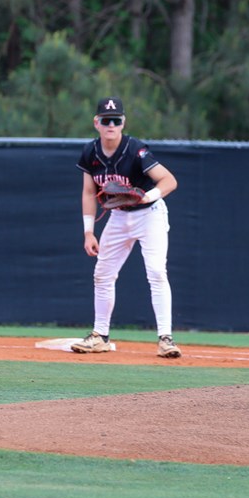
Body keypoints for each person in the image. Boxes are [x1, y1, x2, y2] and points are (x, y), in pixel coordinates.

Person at [72, 97, 183, 358]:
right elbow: (89, 192)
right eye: (105, 120)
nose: (111, 124)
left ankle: (165, 339)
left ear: (123, 123)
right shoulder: (90, 153)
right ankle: (100, 336)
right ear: (96, 123)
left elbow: (169, 181)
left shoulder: (135, 150)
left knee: (156, 271)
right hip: (120, 217)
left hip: (150, 214)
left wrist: (148, 196)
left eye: (116, 120)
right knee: (102, 274)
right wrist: (89, 231)